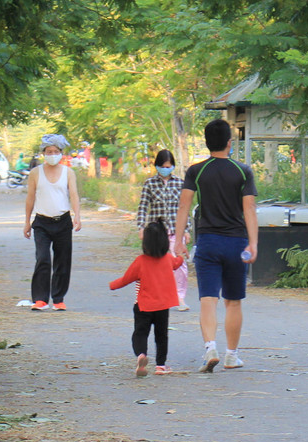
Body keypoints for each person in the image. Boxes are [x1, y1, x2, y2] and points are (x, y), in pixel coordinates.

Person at [172, 118, 258, 373]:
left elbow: (184, 206)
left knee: (208, 299)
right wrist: (253, 243)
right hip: (236, 242)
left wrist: (178, 240)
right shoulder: (243, 171)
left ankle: (210, 347)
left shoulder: (196, 171)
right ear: (230, 143)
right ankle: (232, 355)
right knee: (233, 301)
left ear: (208, 143)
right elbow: (250, 209)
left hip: (208, 242)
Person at [110, 220, 185, 377]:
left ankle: (141, 355)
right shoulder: (168, 259)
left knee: (140, 333)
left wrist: (112, 285)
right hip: (163, 306)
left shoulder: (140, 261)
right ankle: (160, 366)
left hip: (143, 305)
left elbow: (126, 279)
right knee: (161, 336)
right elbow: (178, 263)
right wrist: (180, 254)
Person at [23, 133, 81, 311]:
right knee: (43, 258)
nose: (52, 154)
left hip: (62, 221)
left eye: (56, 151)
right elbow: (30, 198)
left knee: (62, 261)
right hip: (41, 222)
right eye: (49, 151)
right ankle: (40, 299)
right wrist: (27, 222)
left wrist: (77, 216)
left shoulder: (68, 172)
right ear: (44, 153)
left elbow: (73, 195)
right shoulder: (35, 173)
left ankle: (58, 298)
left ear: (61, 153)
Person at [136, 148, 190, 311]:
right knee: (153, 265)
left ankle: (179, 297)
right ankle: (150, 297)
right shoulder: (150, 184)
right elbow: (143, 206)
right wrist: (141, 227)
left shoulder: (180, 183)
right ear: (157, 166)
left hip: (175, 230)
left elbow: (184, 208)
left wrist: (186, 229)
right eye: (163, 165)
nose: (166, 168)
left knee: (179, 264)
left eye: (169, 165)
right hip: (156, 233)